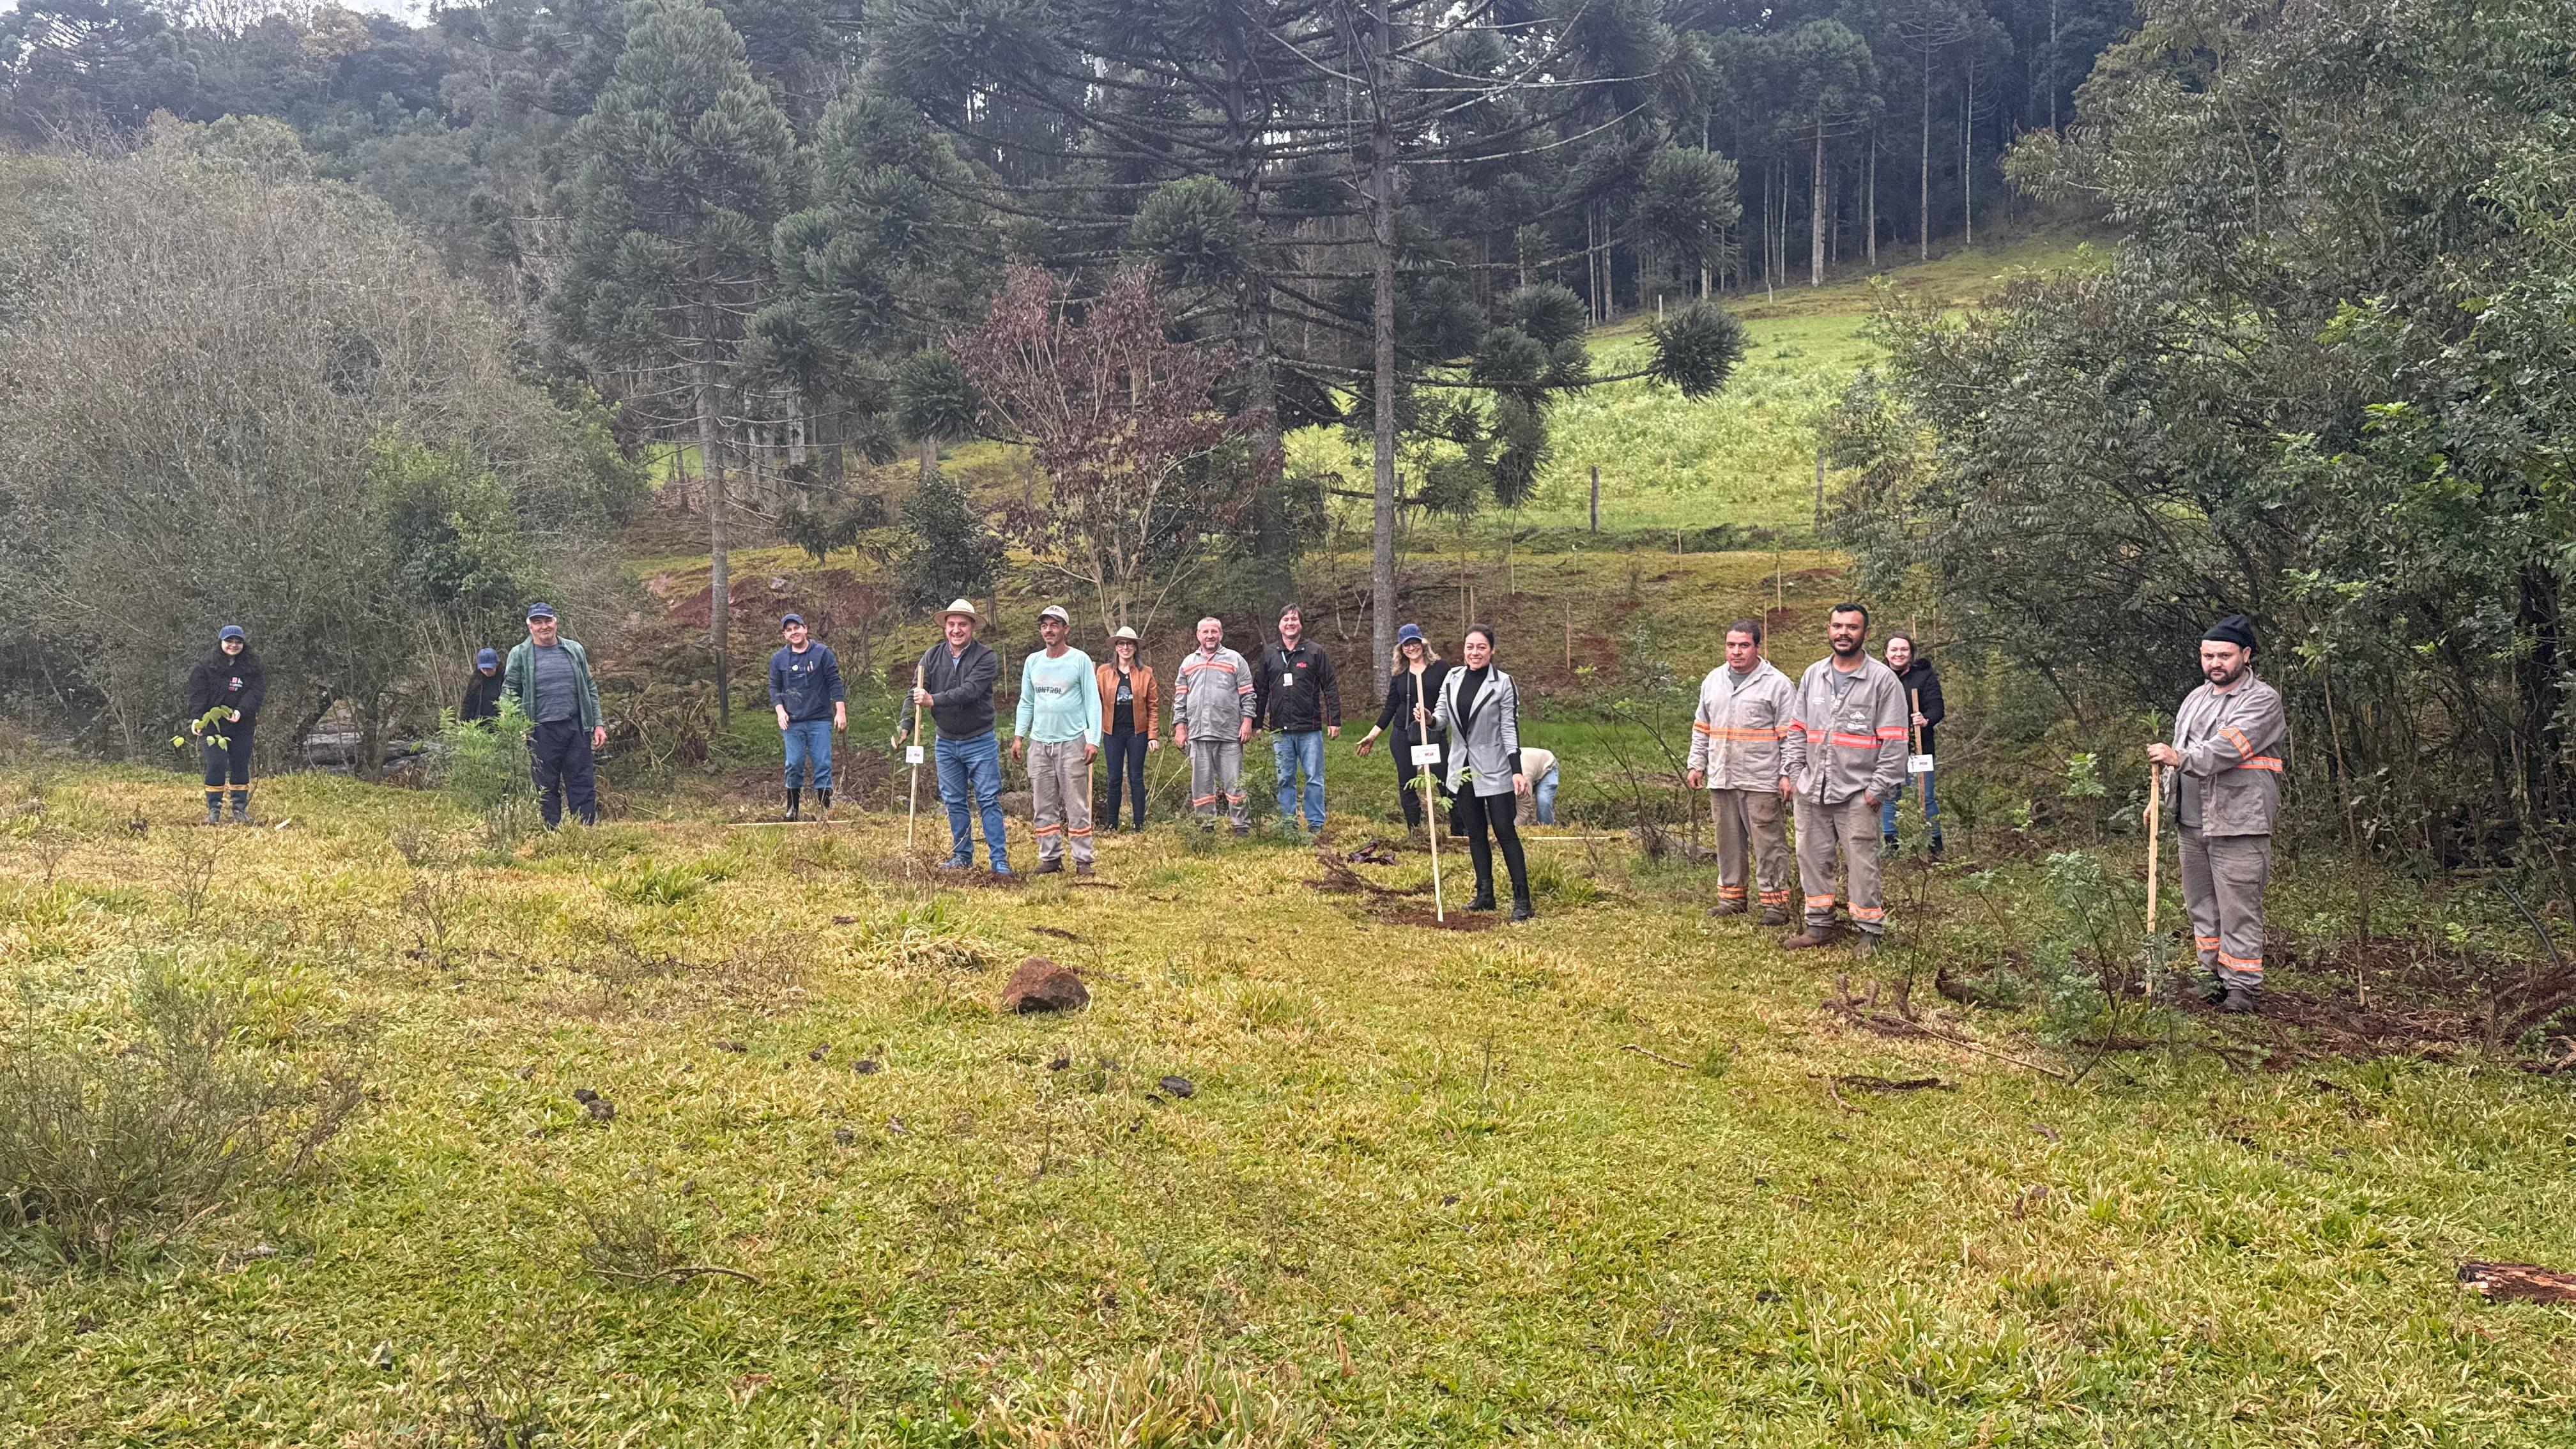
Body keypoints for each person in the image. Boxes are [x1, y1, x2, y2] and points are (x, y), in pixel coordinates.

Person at [2148, 614, 2286, 1015]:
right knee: (2201, 907)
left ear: (2246, 654)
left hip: (2239, 822)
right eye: (2208, 656)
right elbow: (2174, 759)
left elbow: (2227, 749)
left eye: (2224, 655)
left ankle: (2242, 988)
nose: (2215, 663)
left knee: (2239, 909)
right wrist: (2159, 800)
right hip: (2191, 823)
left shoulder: (2262, 700)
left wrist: (2179, 757)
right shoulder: (2195, 698)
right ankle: (2211, 976)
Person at [1777, 604, 1908, 955]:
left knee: (1862, 863)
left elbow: (1895, 740)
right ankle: (1819, 925)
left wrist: (1876, 790)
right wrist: (1794, 774)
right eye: (1837, 626)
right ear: (1828, 629)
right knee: (1812, 858)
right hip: (1812, 790)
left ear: (1866, 633)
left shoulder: (1883, 680)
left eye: (1852, 627)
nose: (1843, 633)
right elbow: (1797, 729)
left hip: (1857, 793)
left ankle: (1869, 930)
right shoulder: (1813, 675)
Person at [1687, 618, 1797, 924]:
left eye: (1744, 645)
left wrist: (1787, 773)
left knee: (1769, 843)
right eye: (1731, 645)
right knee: (1728, 842)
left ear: (1758, 647)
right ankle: (1732, 898)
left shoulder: (1778, 684)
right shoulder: (1713, 680)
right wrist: (1696, 764)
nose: (1736, 652)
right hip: (1722, 777)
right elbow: (1702, 728)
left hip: (1761, 779)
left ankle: (1776, 904)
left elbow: (1790, 736)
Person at [1434, 625, 1534, 919]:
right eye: (1470, 647)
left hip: (1496, 767)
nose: (1474, 652)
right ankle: (1485, 894)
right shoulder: (1452, 678)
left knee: (1504, 831)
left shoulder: (1503, 683)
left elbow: (1509, 729)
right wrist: (1428, 719)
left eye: (1481, 647)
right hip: (1462, 767)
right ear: (1463, 649)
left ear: (1492, 651)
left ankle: (1522, 901)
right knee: (1475, 833)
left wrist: (1517, 770)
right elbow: (1440, 718)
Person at [908, 599, 1009, 875]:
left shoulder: (986, 657)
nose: (956, 630)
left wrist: (933, 700)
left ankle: (999, 861)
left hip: (979, 740)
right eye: (951, 624)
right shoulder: (931, 657)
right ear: (944, 627)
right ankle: (962, 857)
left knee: (988, 799)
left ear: (972, 627)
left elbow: (970, 691)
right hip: (945, 742)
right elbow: (915, 692)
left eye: (962, 624)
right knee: (953, 801)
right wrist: (905, 725)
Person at [1011, 604, 1101, 875]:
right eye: (1044, 626)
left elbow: (1093, 702)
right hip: (1040, 743)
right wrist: (1019, 736)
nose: (1048, 630)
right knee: (1042, 804)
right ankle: (1051, 858)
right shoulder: (1033, 662)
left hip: (1072, 742)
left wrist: (1093, 740)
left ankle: (1083, 860)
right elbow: (1026, 701)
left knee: (1076, 804)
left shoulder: (1080, 660)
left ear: (1066, 630)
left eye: (1054, 625)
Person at [502, 602, 606, 829]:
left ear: (555, 622)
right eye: (538, 622)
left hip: (576, 726)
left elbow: (590, 687)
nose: (544, 626)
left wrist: (598, 723)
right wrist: (512, 723)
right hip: (541, 730)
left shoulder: (574, 649)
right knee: (546, 785)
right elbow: (509, 691)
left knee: (582, 781)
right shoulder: (520, 654)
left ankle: (585, 830)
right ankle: (551, 830)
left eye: (548, 621)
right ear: (530, 627)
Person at [1354, 624, 1452, 833]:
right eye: (1406, 645)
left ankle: (1459, 831)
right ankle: (1415, 831)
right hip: (1404, 735)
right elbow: (1390, 707)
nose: (1411, 648)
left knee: (1445, 781)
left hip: (1433, 734)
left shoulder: (1441, 668)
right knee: (1407, 784)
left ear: (1423, 644)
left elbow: (1452, 699)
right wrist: (1372, 736)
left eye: (1415, 642)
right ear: (1401, 649)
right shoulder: (1400, 674)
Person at [1253, 604, 1341, 833]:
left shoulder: (1315, 652)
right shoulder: (1270, 653)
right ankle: (1288, 823)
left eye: (1294, 619)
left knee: (1314, 778)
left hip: (1309, 728)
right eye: (1286, 619)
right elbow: (1260, 690)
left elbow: (1330, 687)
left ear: (1301, 624)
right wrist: (1256, 724)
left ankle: (1315, 823)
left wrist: (1334, 720)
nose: (1290, 623)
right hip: (1280, 730)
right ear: (1279, 625)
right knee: (1284, 778)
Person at [1172, 616, 1255, 834]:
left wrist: (1247, 722)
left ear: (1221, 634)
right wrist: (1180, 727)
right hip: (1198, 734)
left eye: (1214, 632)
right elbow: (1180, 699)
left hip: (1229, 734)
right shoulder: (1188, 663)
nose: (1210, 636)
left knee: (1235, 782)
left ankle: (1241, 826)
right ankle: (1205, 825)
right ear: (1198, 635)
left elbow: (1248, 695)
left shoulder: (1235, 660)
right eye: (1206, 632)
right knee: (1201, 784)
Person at [769, 613, 847, 821]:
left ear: (805, 629)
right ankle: (792, 810)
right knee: (794, 764)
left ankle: (824, 810)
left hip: (819, 719)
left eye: (797, 628)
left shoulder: (822, 653)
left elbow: (835, 683)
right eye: (789, 630)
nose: (793, 632)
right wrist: (780, 711)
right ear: (785, 635)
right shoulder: (779, 659)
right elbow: (774, 687)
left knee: (822, 764)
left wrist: (840, 712)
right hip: (792, 722)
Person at [186, 624, 265, 824]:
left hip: (242, 725)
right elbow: (197, 694)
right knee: (216, 764)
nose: (233, 645)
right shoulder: (205, 666)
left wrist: (240, 711)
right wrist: (197, 718)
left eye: (238, 642)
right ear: (221, 642)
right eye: (229, 641)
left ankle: (239, 810)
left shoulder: (252, 666)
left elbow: (256, 693)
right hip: (213, 726)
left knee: (240, 764)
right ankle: (214, 810)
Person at [1880, 632, 1945, 856]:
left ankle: (1934, 845)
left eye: (1904, 649)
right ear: (1886, 653)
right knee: (1890, 795)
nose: (1899, 654)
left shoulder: (1924, 675)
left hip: (1919, 746)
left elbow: (1937, 707)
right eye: (1894, 650)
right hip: (1887, 749)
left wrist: (1925, 719)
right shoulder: (1877, 675)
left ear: (1911, 652)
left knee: (1925, 796)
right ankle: (1892, 845)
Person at [1095, 626, 1160, 832]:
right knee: (1114, 778)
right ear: (1116, 647)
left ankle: (1138, 823)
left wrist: (1153, 735)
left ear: (1135, 648)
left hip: (1137, 732)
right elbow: (1094, 702)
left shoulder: (1146, 673)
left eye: (1130, 644)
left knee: (1136, 776)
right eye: (1121, 643)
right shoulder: (1103, 672)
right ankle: (1112, 824)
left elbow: (1153, 706)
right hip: (1112, 731)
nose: (1125, 647)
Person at [1517, 746, 1561, 826]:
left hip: (1547, 767)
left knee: (1543, 801)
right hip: (1533, 767)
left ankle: (1547, 829)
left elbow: (1524, 807)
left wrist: (1516, 828)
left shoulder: (1523, 775)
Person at [459, 648, 505, 724]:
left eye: (489, 668)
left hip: (498, 724)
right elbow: (467, 704)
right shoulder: (475, 680)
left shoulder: (504, 678)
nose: (486, 672)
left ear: (496, 665)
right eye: (484, 669)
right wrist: (463, 724)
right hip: (478, 724)